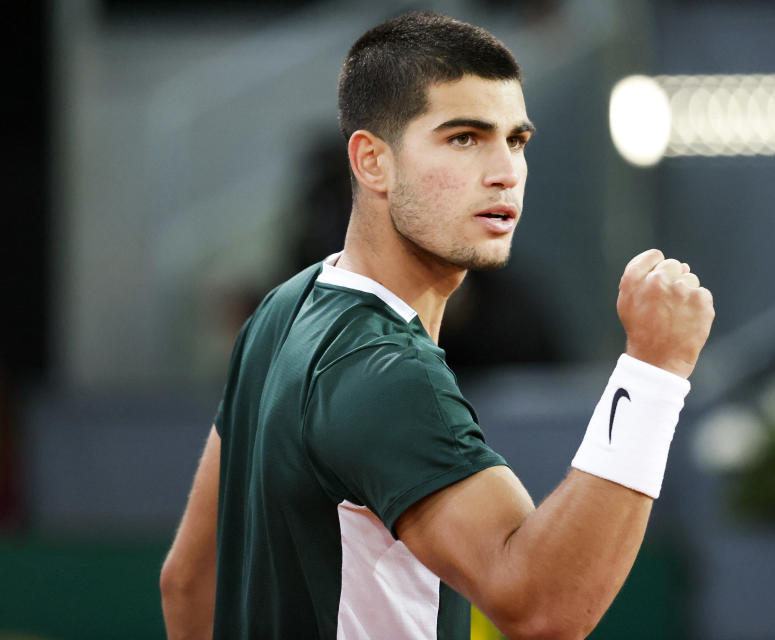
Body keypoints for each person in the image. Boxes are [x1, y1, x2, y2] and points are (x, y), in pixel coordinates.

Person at [159, 11, 714, 640]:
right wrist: (653, 370)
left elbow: (188, 583)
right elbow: (544, 607)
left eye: (517, 140)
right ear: (373, 162)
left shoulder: (283, 310)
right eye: (464, 138)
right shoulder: (386, 372)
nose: (505, 171)